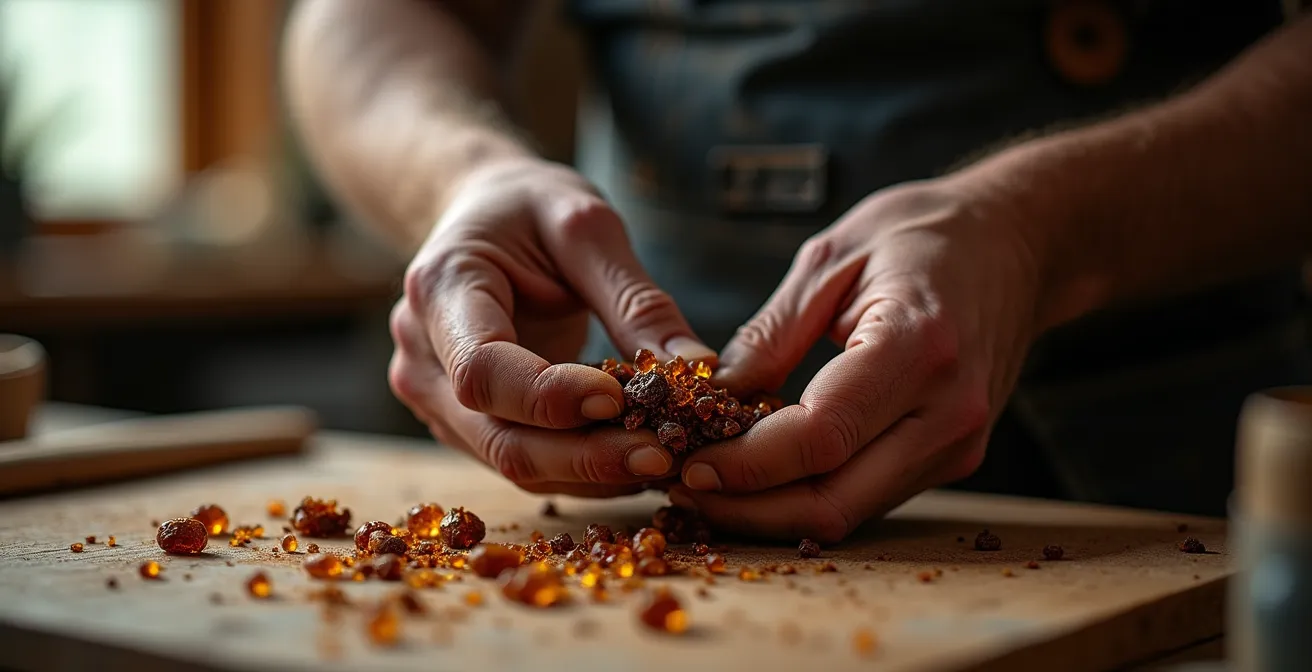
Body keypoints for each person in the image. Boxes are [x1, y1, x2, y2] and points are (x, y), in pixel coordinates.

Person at [284, 0, 1312, 542]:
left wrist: (1041, 233)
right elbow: (361, 16)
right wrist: (460, 175)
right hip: (634, 492)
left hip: (1146, 477)